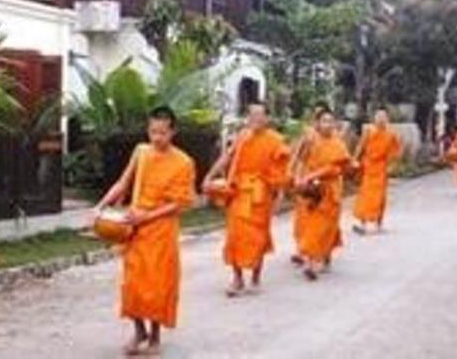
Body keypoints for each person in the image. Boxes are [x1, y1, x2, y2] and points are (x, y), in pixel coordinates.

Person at [95, 106, 196, 356]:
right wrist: (100, 206)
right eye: (153, 132)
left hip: (161, 230)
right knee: (132, 284)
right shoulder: (141, 152)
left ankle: (155, 336)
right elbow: (123, 182)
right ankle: (139, 330)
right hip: (135, 230)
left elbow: (180, 203)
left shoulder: (183, 162)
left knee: (157, 286)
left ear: (173, 131)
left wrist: (147, 216)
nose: (157, 138)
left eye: (162, 133)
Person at [202, 103, 290, 297]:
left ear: (267, 118)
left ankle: (256, 277)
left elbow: (281, 171)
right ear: (247, 118)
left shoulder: (276, 140)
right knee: (235, 236)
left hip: (261, 195)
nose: (256, 119)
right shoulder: (242, 137)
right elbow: (227, 157)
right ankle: (237, 278)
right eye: (252, 115)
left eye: (260, 115)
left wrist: (280, 194)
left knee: (258, 237)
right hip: (239, 191)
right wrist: (209, 175)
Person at [293, 108, 351, 281]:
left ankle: (325, 256)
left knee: (328, 228)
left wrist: (313, 176)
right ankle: (310, 264)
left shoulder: (338, 144)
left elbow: (337, 168)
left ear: (334, 124)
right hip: (313, 191)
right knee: (314, 226)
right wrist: (298, 178)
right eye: (324, 121)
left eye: (330, 121)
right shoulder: (311, 141)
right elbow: (301, 160)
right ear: (317, 123)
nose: (327, 125)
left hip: (331, 190)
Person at [351, 108, 403, 235]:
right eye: (378, 116)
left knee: (379, 198)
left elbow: (397, 151)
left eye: (383, 116)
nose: (380, 119)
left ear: (387, 119)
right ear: (374, 119)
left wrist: (392, 165)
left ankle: (378, 224)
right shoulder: (369, 132)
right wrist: (354, 160)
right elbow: (360, 147)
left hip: (381, 169)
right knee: (365, 197)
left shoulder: (391, 135)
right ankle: (362, 223)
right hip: (368, 168)